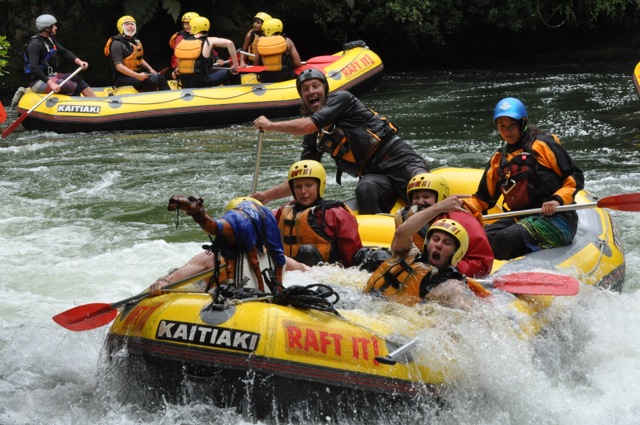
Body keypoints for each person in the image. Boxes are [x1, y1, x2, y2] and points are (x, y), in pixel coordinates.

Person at [252, 69, 429, 214]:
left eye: (316, 86)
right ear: (302, 96)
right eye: (305, 89)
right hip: (373, 173)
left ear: (325, 90)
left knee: (424, 186)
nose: (311, 91)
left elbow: (307, 125)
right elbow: (303, 177)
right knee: (365, 189)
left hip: (399, 159)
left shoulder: (343, 100)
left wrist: (270, 126)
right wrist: (267, 196)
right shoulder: (313, 137)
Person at [464, 97, 585, 260]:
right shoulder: (499, 159)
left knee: (504, 239)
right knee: (480, 240)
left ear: (523, 122)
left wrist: (557, 200)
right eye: (502, 126)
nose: (507, 131)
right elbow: (483, 199)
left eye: (512, 125)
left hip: (558, 218)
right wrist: (462, 210)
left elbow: (574, 177)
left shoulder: (542, 145)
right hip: (522, 217)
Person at [150, 196, 309, 297]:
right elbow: (177, 276)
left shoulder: (269, 256)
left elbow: (304, 269)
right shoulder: (211, 258)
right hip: (208, 291)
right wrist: (164, 281)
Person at [393, 173, 493, 277]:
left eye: (426, 197)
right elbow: (401, 238)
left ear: (441, 197)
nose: (420, 202)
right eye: (416, 197)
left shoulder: (460, 219)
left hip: (452, 271)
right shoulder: (407, 217)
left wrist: (449, 270)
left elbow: (483, 262)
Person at [364, 218, 475, 310]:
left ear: (456, 252)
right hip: (365, 302)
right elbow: (401, 233)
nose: (439, 245)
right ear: (427, 242)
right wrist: (440, 207)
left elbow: (468, 312)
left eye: (447, 243)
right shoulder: (408, 254)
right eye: (435, 239)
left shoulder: (452, 285)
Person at [275, 160, 363, 268]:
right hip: (288, 271)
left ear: (319, 185)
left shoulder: (335, 214)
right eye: (298, 186)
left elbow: (352, 257)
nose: (303, 191)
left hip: (324, 273)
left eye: (309, 185)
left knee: (307, 252)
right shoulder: (284, 210)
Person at [23, 14, 95, 97]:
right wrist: (51, 84)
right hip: (38, 82)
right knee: (73, 86)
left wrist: (80, 62)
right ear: (47, 28)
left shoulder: (50, 40)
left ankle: (96, 101)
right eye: (54, 26)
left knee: (76, 78)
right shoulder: (34, 45)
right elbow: (33, 67)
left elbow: (64, 52)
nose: (56, 28)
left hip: (50, 76)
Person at [104, 15, 170, 92]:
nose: (130, 26)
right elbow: (119, 66)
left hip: (136, 75)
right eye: (127, 24)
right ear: (121, 27)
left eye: (132, 24)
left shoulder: (136, 41)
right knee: (152, 80)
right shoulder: (117, 44)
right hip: (122, 78)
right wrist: (137, 76)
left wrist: (151, 69)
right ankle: (147, 99)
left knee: (160, 77)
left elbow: (139, 58)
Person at [174, 16, 239, 88]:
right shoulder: (209, 41)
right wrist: (235, 64)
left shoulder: (183, 41)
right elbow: (229, 43)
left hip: (185, 83)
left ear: (194, 27)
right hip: (202, 82)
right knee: (234, 72)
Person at [253, 18, 302, 83]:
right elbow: (298, 63)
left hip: (266, 79)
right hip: (286, 78)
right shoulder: (287, 41)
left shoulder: (259, 43)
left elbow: (256, 66)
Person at [159, 11, 199, 80]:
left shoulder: (200, 35)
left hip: (196, 66)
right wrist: (177, 67)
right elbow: (177, 55)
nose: (186, 26)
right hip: (180, 67)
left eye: (189, 24)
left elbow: (208, 49)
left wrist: (217, 58)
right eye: (185, 24)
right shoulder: (180, 37)